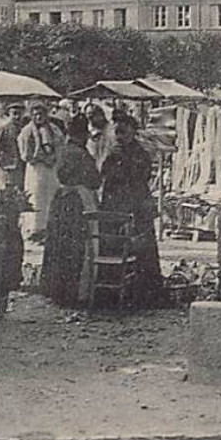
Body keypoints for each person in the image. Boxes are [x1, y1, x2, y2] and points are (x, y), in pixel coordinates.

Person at [100, 111, 164, 305]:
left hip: (136, 203)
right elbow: (104, 175)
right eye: (117, 133)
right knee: (114, 243)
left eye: (124, 133)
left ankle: (144, 292)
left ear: (133, 132)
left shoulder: (141, 154)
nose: (119, 137)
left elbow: (141, 177)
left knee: (141, 247)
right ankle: (113, 291)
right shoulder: (112, 152)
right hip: (115, 203)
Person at [41, 113, 104, 306]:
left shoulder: (63, 150)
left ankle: (56, 290)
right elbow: (94, 180)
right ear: (83, 135)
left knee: (59, 244)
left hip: (61, 199)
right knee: (79, 245)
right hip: (78, 201)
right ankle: (75, 292)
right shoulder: (81, 154)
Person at [18, 103, 60, 240]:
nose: (38, 117)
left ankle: (48, 227)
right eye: (35, 114)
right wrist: (38, 157)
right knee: (35, 196)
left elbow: (60, 145)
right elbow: (24, 153)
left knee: (50, 195)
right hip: (35, 169)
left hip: (50, 168)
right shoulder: (27, 131)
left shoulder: (53, 129)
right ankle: (34, 228)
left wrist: (52, 157)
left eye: (41, 114)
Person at [87, 105, 116, 170]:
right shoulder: (92, 132)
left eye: (93, 117)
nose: (91, 121)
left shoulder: (111, 130)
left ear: (101, 116)